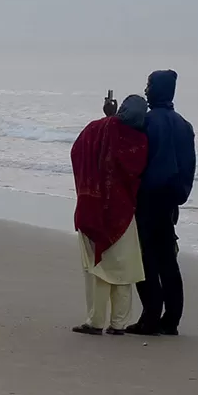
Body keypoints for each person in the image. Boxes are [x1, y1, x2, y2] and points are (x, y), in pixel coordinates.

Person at [70, 95, 149, 335]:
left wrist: (108, 117)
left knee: (97, 267)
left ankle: (95, 321)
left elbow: (77, 151)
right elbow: (137, 172)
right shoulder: (140, 141)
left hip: (90, 209)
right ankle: (119, 324)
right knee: (123, 270)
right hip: (123, 214)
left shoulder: (95, 129)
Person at [127, 70, 196, 337]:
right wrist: (180, 194)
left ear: (157, 89)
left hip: (147, 198)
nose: (145, 91)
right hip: (171, 200)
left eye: (148, 85)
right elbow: (189, 166)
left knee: (144, 259)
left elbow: (130, 153)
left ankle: (151, 317)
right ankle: (172, 320)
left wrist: (110, 117)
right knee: (168, 259)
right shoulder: (184, 125)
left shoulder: (145, 122)